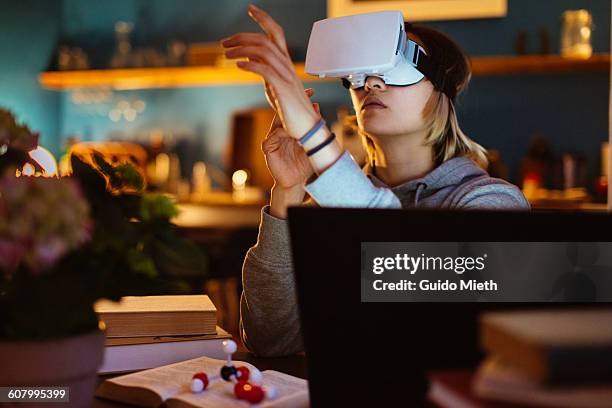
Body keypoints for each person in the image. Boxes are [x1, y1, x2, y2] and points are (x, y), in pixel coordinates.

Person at [221, 4, 530, 357]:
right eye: (362, 72)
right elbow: (270, 341)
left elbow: (413, 283)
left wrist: (313, 133)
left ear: (443, 89)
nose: (372, 82)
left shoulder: (492, 202)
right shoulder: (328, 205)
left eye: (399, 65)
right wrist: (288, 193)